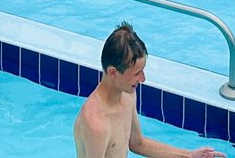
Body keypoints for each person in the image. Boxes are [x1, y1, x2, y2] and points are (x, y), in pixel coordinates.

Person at [74, 24, 223, 158]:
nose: (143, 79)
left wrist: (189, 155)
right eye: (136, 73)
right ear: (113, 73)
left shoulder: (127, 95)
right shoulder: (95, 123)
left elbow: (137, 144)